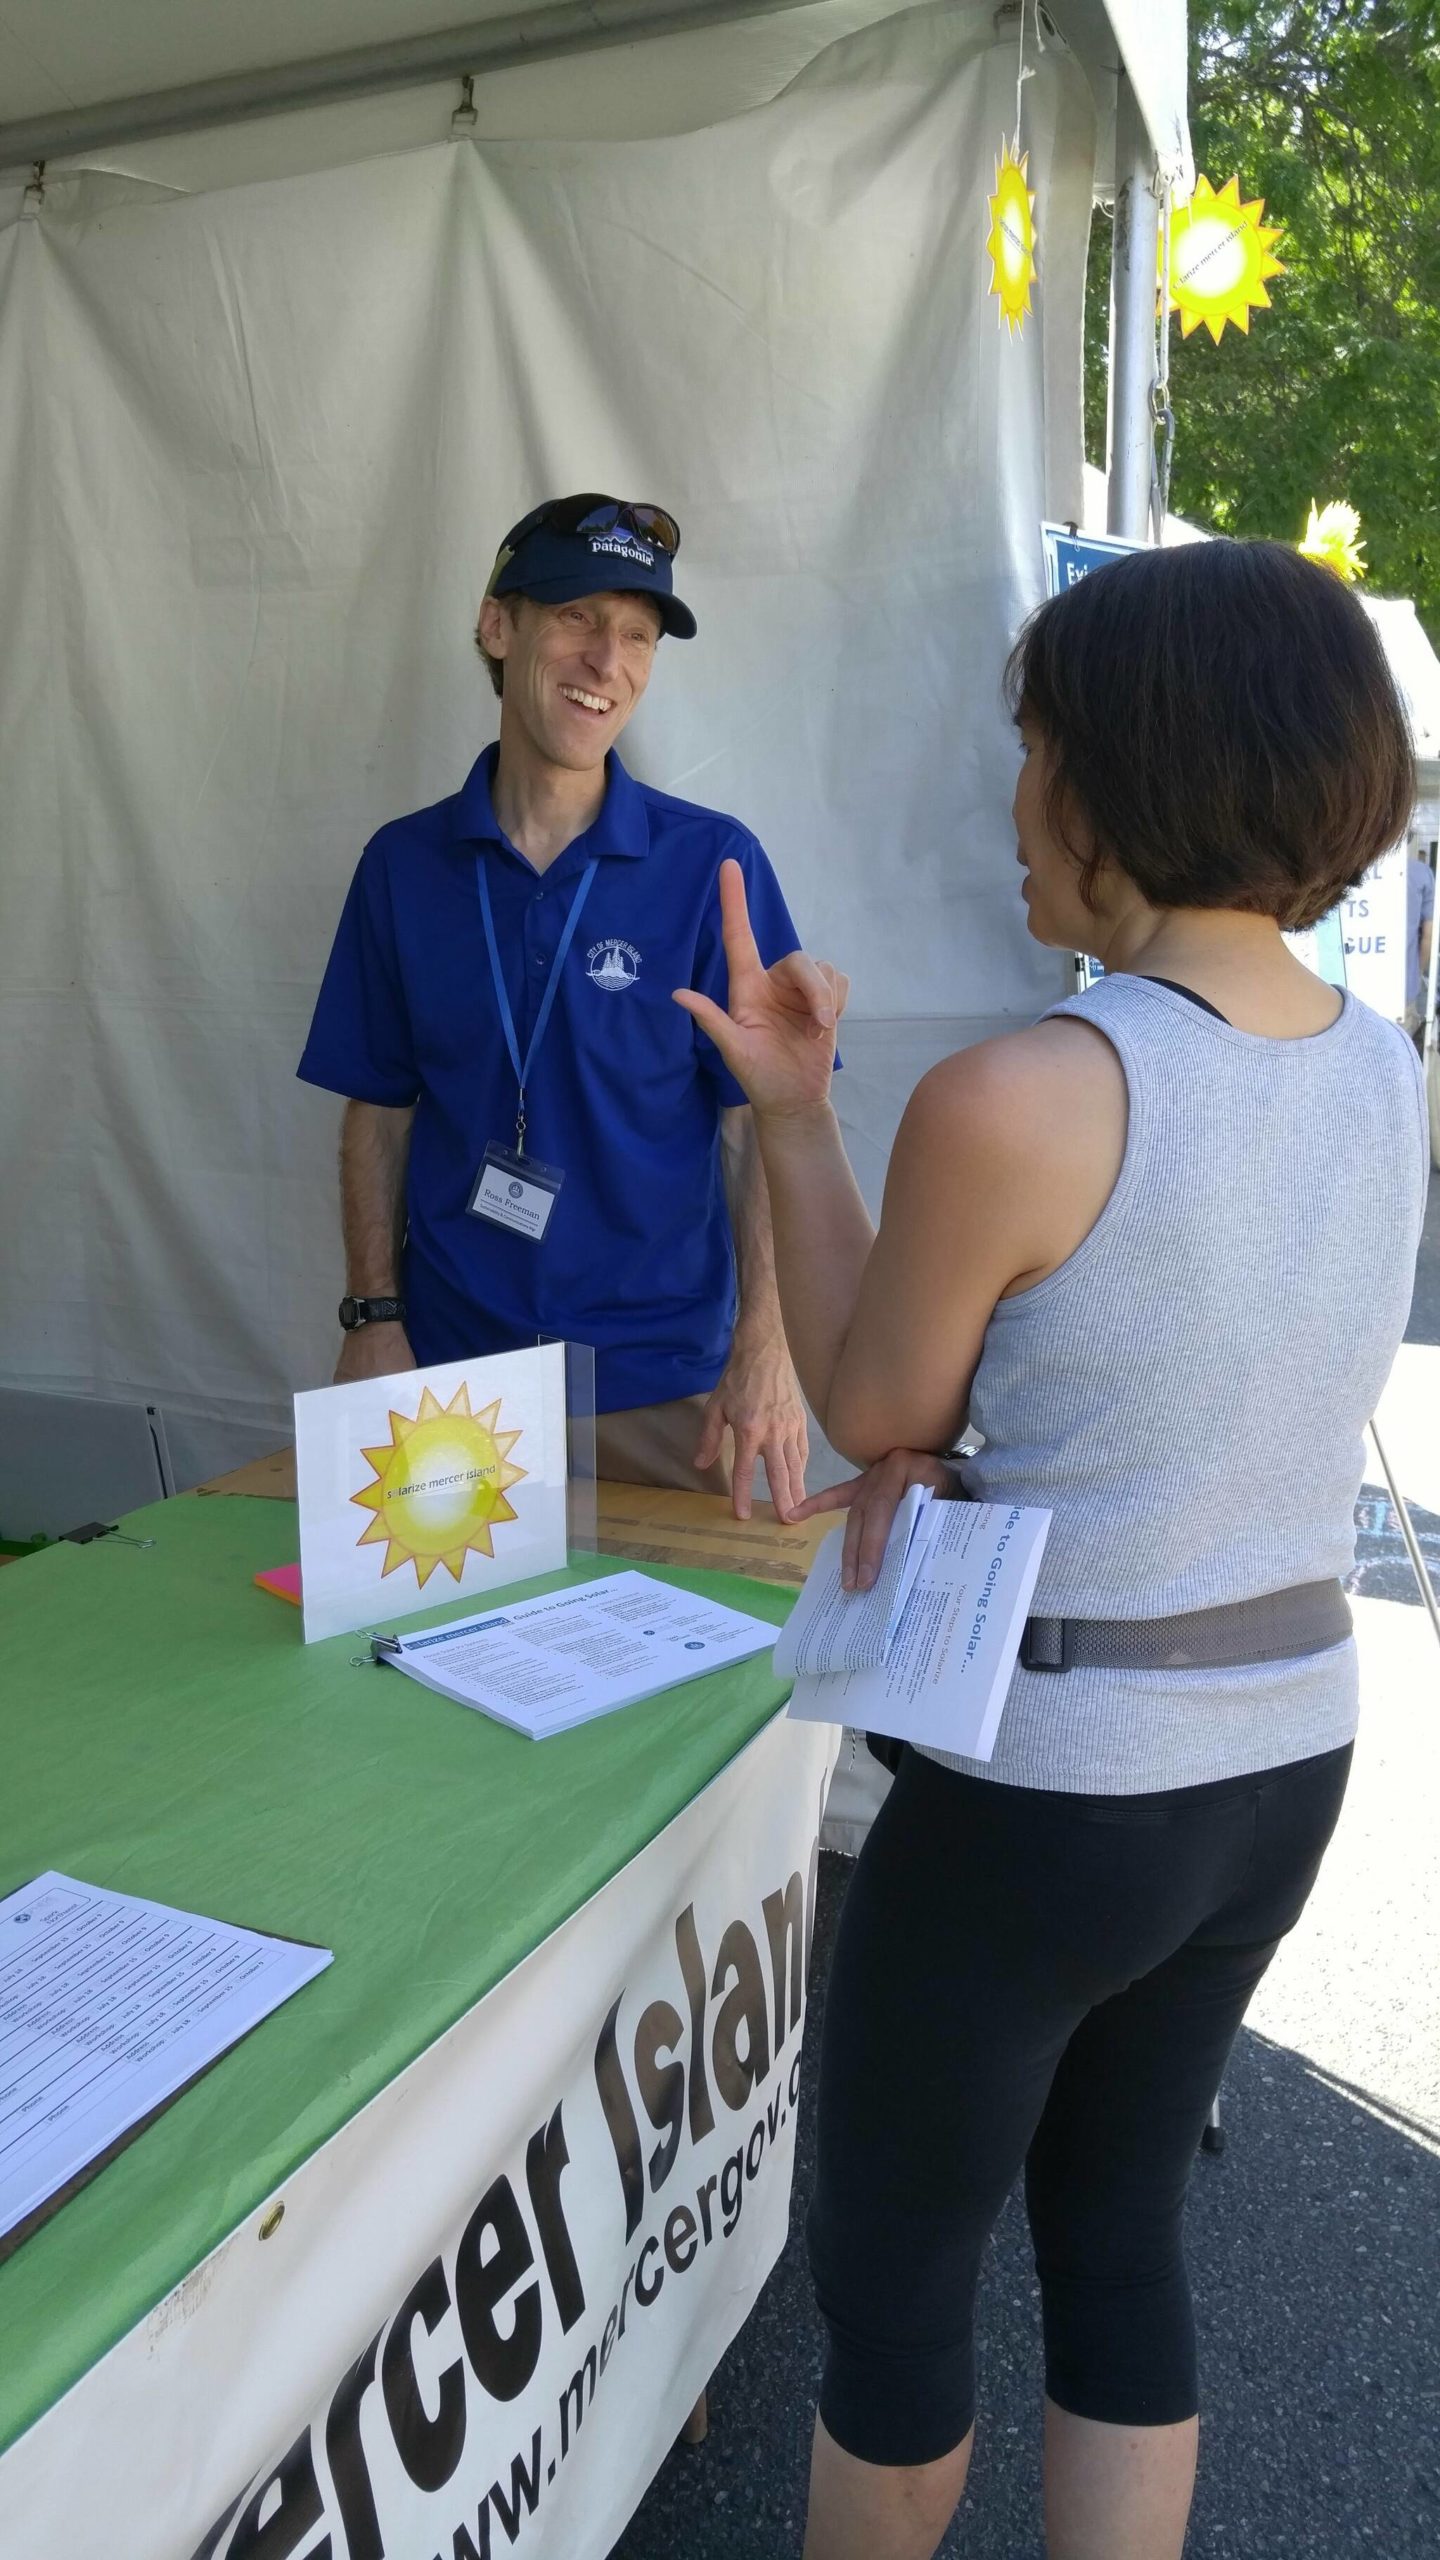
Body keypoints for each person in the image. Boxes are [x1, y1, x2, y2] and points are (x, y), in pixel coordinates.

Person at [675, 539, 1427, 2560]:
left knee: (898, 2285)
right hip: (1287, 1751)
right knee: (1119, 2239)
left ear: (1117, 774)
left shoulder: (1031, 1087)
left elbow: (875, 1408)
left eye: (1032, 749)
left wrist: (799, 1114)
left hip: (1049, 1791)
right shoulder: (1382, 1065)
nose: (1013, 800)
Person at [298, 492, 809, 1516]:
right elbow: (379, 1110)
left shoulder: (711, 863)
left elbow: (761, 1123)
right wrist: (372, 1317)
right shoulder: (403, 867)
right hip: (450, 1378)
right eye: (577, 616)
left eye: (637, 635)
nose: (605, 661)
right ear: (500, 624)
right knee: (431, 1668)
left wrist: (770, 1342)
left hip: (668, 1386)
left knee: (685, 1667)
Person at [1404, 838, 1434, 1047]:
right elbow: (1428, 936)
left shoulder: (1349, 870)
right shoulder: (1421, 874)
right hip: (1404, 989)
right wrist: (1418, 971)